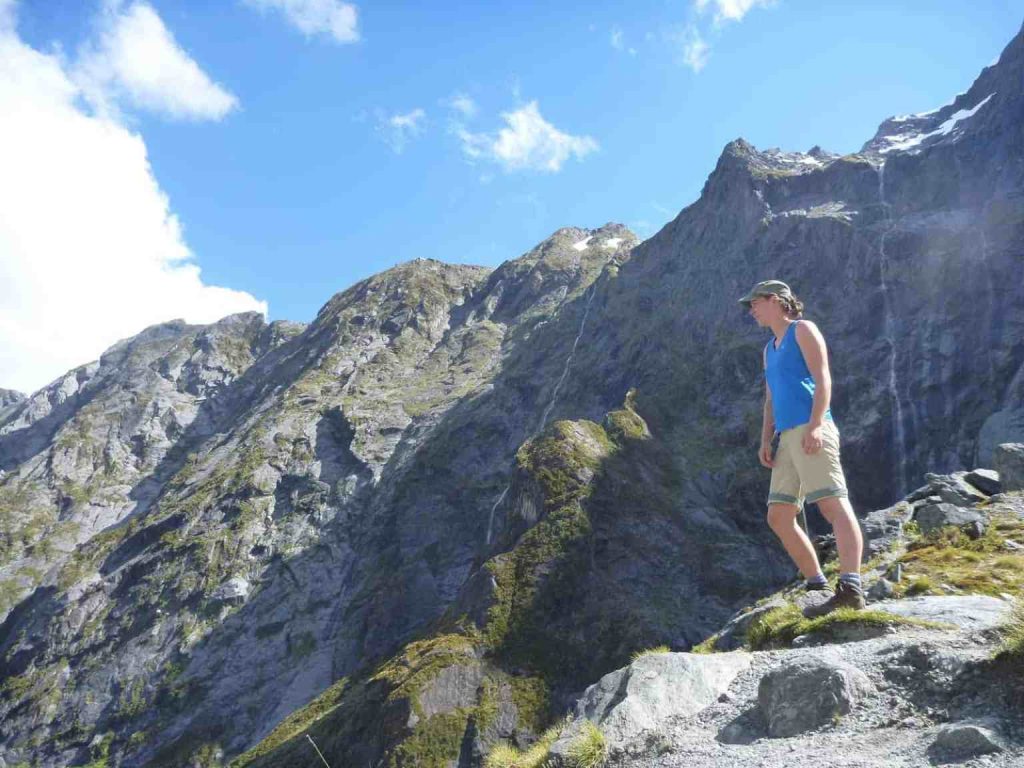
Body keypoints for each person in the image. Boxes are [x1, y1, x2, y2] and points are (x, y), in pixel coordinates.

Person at [737, 280, 866, 617]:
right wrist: (766, 439)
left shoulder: (803, 330)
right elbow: (769, 399)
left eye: (755, 303)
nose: (751, 310)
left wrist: (817, 424)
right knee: (779, 516)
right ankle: (817, 584)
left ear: (776, 301)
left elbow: (823, 378)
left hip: (811, 428)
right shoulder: (769, 348)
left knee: (832, 504)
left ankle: (851, 586)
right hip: (785, 437)